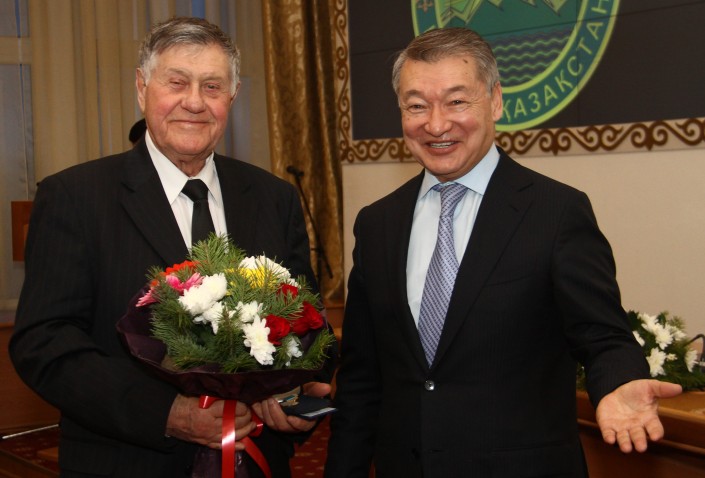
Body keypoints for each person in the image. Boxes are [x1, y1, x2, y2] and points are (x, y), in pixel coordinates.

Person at [324, 27, 682, 478]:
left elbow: (602, 335)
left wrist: (619, 381)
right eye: (416, 105)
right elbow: (361, 379)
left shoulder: (556, 212)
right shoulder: (378, 223)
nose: (436, 124)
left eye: (457, 101)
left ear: (495, 101)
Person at [11, 17, 334, 478]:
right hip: (128, 461)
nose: (194, 102)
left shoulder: (272, 197)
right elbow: (44, 343)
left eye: (212, 86)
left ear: (232, 96)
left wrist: (292, 393)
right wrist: (167, 413)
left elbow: (310, 323)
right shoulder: (75, 196)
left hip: (256, 458)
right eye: (177, 82)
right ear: (142, 89)